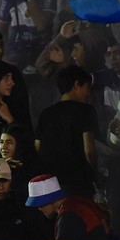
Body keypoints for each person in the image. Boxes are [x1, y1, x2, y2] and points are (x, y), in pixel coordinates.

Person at [35, 65, 99, 198]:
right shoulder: (86, 111)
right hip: (78, 183)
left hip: (51, 184)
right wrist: (94, 174)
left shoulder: (45, 114)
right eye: (87, 88)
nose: (88, 94)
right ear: (76, 85)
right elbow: (89, 150)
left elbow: (37, 148)